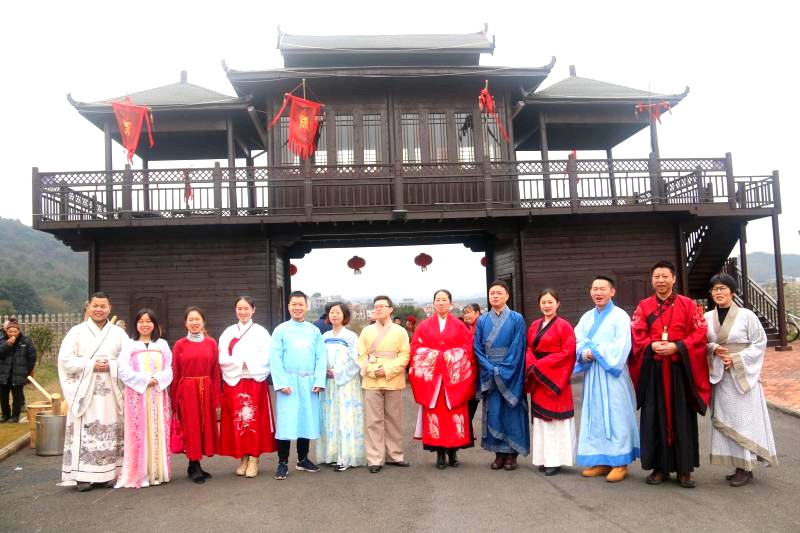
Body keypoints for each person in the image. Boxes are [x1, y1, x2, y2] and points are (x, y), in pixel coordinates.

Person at [630, 260, 710, 488]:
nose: (661, 280)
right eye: (657, 276)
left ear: (673, 279)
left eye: (665, 276)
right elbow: (637, 333)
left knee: (682, 417)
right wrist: (651, 345)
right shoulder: (643, 306)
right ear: (652, 280)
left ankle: (685, 469)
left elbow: (700, 331)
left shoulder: (688, 304)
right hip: (654, 370)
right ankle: (659, 468)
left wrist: (679, 346)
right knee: (654, 417)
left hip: (680, 369)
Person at [705, 273, 778, 487]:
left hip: (742, 377)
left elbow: (759, 343)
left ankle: (746, 466)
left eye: (723, 288)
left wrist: (736, 359)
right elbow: (701, 342)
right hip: (721, 377)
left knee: (744, 421)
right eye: (715, 289)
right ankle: (738, 464)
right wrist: (712, 348)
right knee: (727, 420)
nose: (718, 292)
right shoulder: (707, 317)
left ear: (732, 291)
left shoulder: (747, 315)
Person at [57, 292, 128, 491]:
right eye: (95, 305)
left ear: (109, 308)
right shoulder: (76, 332)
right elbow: (65, 360)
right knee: (85, 429)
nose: (98, 309)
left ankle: (109, 474)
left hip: (111, 391)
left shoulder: (118, 333)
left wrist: (111, 365)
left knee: (111, 429)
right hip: (85, 392)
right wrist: (90, 365)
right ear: (88, 307)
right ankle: (82, 476)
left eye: (103, 306)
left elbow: (128, 360)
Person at [573, 276, 640, 483]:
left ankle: (620, 462)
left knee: (616, 415)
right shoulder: (587, 317)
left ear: (612, 292)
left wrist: (594, 351)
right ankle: (601, 460)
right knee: (595, 416)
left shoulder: (620, 316)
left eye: (602, 289)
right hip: (593, 374)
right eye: (595, 289)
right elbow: (577, 340)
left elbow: (621, 345)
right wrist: (584, 353)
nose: (598, 293)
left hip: (613, 375)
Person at [409, 289, 476, 469]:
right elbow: (415, 347)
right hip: (434, 380)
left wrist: (450, 356)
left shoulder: (459, 326)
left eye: (444, 300)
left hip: (454, 379)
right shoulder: (424, 326)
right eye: (437, 300)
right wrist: (433, 356)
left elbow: (468, 347)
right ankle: (439, 453)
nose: (440, 303)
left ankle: (453, 453)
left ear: (450, 304)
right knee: (436, 414)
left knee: (454, 413)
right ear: (433, 304)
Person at [270, 291, 327, 480]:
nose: (297, 307)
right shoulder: (281, 330)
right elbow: (275, 358)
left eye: (301, 304)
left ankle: (303, 459)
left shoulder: (314, 331)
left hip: (309, 381)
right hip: (288, 381)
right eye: (294, 304)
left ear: (306, 306)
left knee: (306, 419)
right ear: (289, 306)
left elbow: (321, 356)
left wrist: (319, 380)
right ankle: (282, 462)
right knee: (286, 421)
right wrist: (281, 382)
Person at [473, 280, 529, 470]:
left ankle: (512, 455)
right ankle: (498, 454)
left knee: (512, 412)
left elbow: (518, 346)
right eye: (492, 293)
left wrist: (503, 370)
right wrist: (490, 368)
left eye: (499, 293)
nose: (495, 296)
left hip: (511, 373)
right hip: (490, 372)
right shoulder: (482, 320)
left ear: (507, 296)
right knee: (494, 411)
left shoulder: (517, 319)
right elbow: (477, 347)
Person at [218, 296, 276, 478]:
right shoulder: (228, 332)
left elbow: (267, 356)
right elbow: (222, 357)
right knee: (238, 421)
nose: (243, 312)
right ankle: (243, 457)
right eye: (239, 308)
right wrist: (238, 363)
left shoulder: (261, 332)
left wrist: (247, 363)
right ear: (235, 310)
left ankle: (253, 458)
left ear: (253, 310)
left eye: (246, 308)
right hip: (235, 380)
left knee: (254, 420)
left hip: (254, 380)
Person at [116, 309, 173, 488]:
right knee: (139, 431)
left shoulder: (162, 344)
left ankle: (158, 472)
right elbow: (122, 369)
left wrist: (157, 379)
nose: (145, 325)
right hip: (137, 393)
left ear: (154, 324)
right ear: (136, 325)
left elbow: (169, 367)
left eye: (148, 321)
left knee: (157, 430)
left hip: (157, 393)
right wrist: (144, 380)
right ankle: (140, 473)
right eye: (141, 321)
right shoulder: (130, 345)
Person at [524, 289, 576, 476]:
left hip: (556, 379)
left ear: (558, 304)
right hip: (539, 378)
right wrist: (532, 365)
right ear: (539, 304)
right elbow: (529, 348)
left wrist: (540, 366)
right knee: (541, 421)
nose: (547, 305)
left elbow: (568, 353)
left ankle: (556, 461)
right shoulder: (534, 326)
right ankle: (544, 458)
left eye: (550, 302)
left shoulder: (564, 326)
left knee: (556, 421)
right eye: (543, 302)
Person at [357, 295, 411, 473]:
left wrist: (387, 370)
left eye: (382, 306)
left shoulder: (400, 331)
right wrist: (372, 370)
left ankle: (395, 455)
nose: (378, 308)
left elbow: (405, 355)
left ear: (391, 309)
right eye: (376, 306)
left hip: (393, 379)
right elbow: (361, 355)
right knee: (373, 421)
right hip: (371, 380)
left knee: (394, 419)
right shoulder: (366, 331)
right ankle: (375, 458)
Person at [171, 306, 221, 484]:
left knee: (203, 427)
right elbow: (175, 372)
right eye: (190, 320)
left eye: (197, 319)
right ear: (185, 323)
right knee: (191, 427)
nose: (194, 323)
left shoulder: (211, 343)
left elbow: (216, 372)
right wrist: (174, 398)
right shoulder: (180, 345)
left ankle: (193, 465)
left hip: (206, 389)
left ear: (203, 322)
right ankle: (195, 463)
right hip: (187, 390)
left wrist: (216, 398)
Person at [318, 302, 366, 471]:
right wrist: (323, 371)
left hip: (346, 383)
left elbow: (355, 361)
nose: (334, 315)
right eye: (332, 312)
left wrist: (337, 372)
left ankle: (345, 457)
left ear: (345, 316)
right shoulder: (324, 336)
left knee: (345, 417)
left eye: (338, 312)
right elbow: (319, 358)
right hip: (329, 383)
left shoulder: (351, 336)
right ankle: (331, 454)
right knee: (330, 417)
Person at [0, 317, 37, 424]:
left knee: (17, 397)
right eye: (10, 331)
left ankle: (15, 416)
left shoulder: (26, 341)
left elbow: (32, 357)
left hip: (19, 374)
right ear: (6, 331)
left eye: (15, 331)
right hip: (4, 374)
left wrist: (26, 371)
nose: (12, 333)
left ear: (19, 331)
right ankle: (5, 415)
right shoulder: (2, 340)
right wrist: (7, 344)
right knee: (3, 396)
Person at [461, 303, 482, 431]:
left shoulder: (481, 327)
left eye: (469, 312)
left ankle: (467, 432)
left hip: (479, 371)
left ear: (477, 313)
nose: (466, 315)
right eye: (465, 313)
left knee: (472, 403)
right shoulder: (467, 328)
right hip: (469, 372)